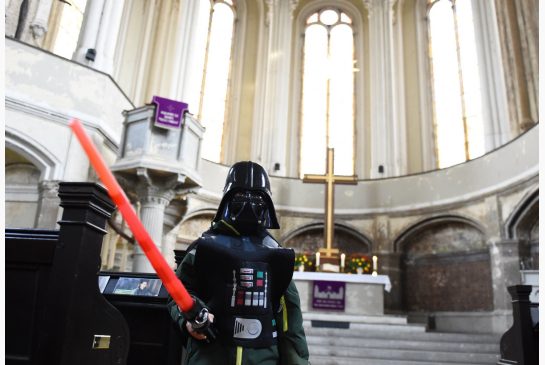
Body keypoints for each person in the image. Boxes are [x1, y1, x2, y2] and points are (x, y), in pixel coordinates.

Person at [168, 161, 310, 365]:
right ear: (228, 199)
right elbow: (178, 293)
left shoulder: (276, 254)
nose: (249, 203)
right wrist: (190, 319)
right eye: (241, 195)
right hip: (211, 356)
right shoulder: (204, 248)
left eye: (256, 197)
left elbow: (290, 321)